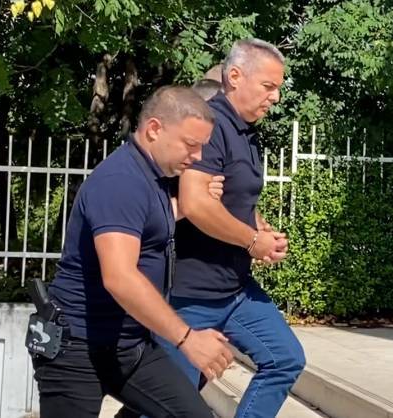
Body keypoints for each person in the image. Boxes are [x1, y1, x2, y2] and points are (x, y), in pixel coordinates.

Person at [30, 86, 235, 418]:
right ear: (154, 129)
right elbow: (120, 277)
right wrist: (187, 339)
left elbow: (148, 222)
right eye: (190, 144)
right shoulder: (120, 180)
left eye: (202, 146)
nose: (198, 156)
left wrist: (186, 205)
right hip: (76, 348)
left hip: (130, 346)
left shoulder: (151, 177)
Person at [162, 38, 306, 417]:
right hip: (191, 296)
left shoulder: (245, 132)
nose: (275, 97)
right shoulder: (209, 126)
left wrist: (261, 227)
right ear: (236, 77)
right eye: (268, 86)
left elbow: (237, 199)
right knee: (173, 403)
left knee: (285, 359)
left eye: (278, 88)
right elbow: (196, 204)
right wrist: (253, 240)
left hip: (235, 290)